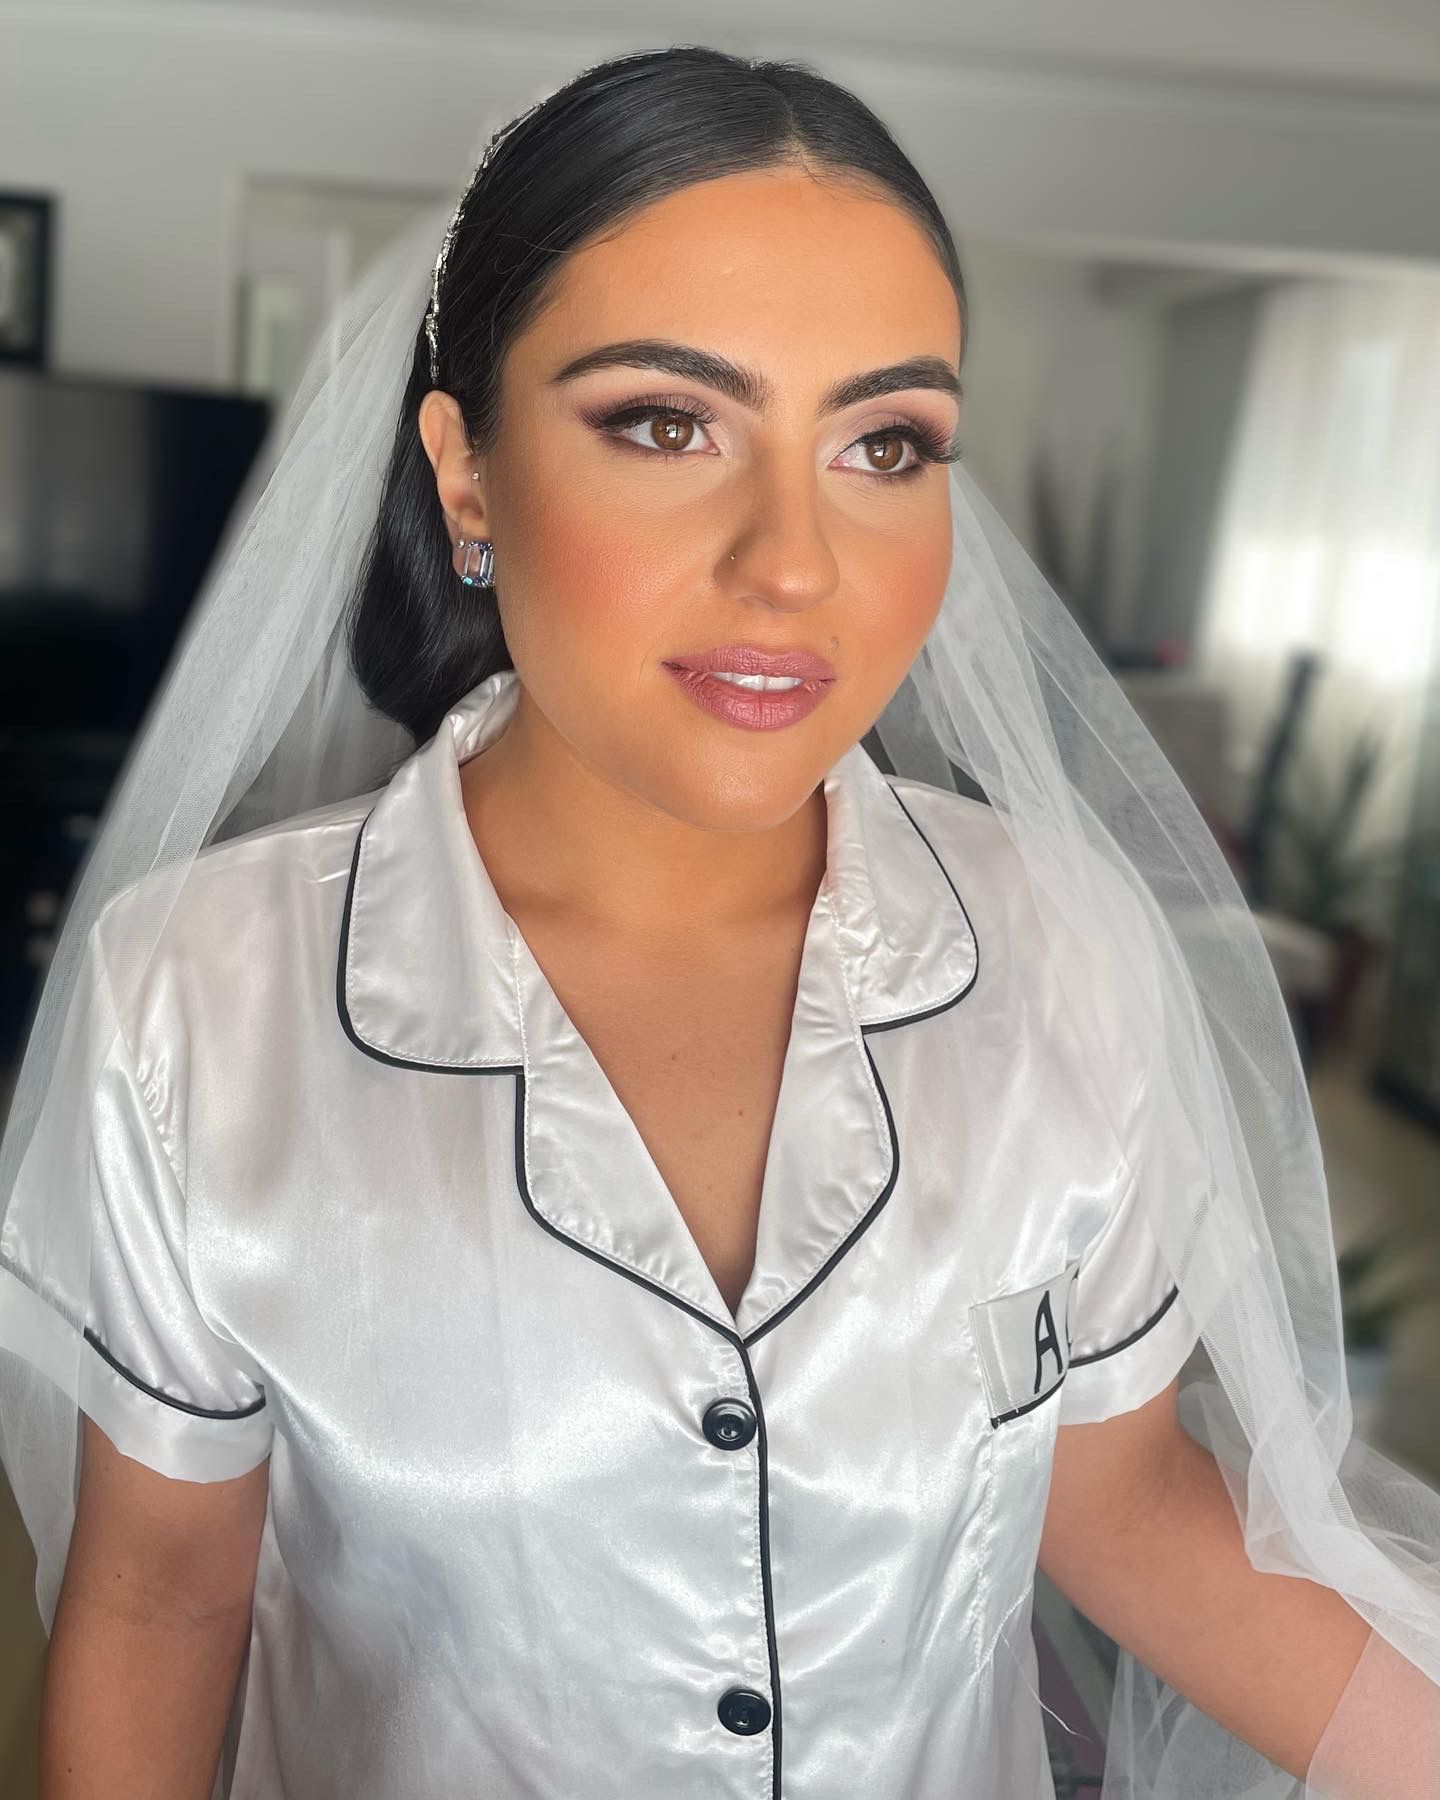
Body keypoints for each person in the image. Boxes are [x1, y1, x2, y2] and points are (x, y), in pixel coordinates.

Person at [1, 44, 1437, 1800]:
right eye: (667, 423)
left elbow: (1123, 1498)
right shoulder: (199, 1010)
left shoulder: (1060, 950)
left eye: (885, 441)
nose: (795, 561)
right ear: (465, 472)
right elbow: (157, 1604)